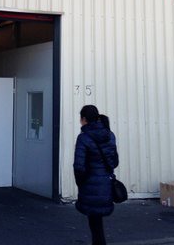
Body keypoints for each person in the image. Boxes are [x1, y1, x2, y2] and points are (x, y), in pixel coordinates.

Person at [74, 105, 119, 245]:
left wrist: (80, 183)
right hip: (106, 184)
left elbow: (79, 166)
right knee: (97, 222)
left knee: (94, 223)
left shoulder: (83, 138)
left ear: (84, 119)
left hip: (90, 185)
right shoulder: (110, 135)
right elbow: (115, 162)